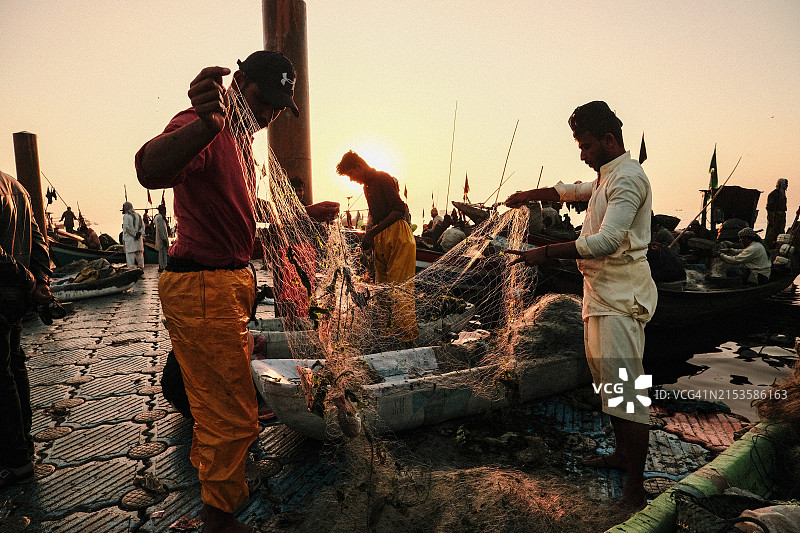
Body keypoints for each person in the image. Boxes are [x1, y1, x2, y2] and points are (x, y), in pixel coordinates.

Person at [136, 50, 336, 533]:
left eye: (277, 108)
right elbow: (149, 168)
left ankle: (213, 506)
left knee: (218, 405)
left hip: (224, 287)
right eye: (263, 100)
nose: (268, 114)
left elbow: (240, 225)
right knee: (231, 415)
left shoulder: (243, 143)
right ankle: (218, 521)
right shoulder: (205, 125)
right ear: (239, 81)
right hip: (202, 286)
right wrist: (206, 125)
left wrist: (302, 219)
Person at [504, 101, 656, 510]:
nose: (583, 153)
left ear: (609, 140)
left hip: (623, 299)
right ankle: (622, 455)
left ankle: (636, 489)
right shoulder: (607, 177)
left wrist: (547, 252)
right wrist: (528, 195)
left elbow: (607, 242)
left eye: (587, 145)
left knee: (627, 393)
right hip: (599, 295)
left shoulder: (629, 179)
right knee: (607, 382)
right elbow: (572, 191)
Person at [1, 170, 53, 488]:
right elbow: (39, 242)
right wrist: (39, 281)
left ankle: (14, 459)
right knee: (15, 368)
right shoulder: (18, 188)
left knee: (2, 378)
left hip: (7, 289)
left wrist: (29, 279)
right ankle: (24, 449)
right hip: (17, 299)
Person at [336, 151, 419, 342]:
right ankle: (388, 334)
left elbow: (398, 210)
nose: (351, 179)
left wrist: (372, 233)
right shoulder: (367, 186)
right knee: (382, 290)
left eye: (351, 174)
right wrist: (370, 235)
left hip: (398, 235)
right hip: (381, 238)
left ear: (358, 166)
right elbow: (375, 215)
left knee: (399, 289)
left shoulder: (383, 178)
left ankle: (406, 337)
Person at [764, 178, 788, 248]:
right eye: (785, 184)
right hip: (775, 214)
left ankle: (778, 244)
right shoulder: (773, 194)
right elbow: (769, 207)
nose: (786, 186)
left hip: (782, 214)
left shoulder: (782, 194)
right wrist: (773, 215)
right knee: (772, 230)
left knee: (780, 229)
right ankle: (768, 245)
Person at [121, 201, 145, 269]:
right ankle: (141, 267)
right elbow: (142, 226)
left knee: (130, 254)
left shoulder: (126, 216)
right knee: (139, 254)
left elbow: (127, 227)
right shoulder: (138, 215)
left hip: (130, 239)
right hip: (138, 238)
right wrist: (139, 233)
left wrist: (134, 234)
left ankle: (131, 268)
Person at [154, 204, 169, 273]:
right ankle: (162, 266)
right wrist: (164, 239)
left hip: (162, 238)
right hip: (162, 239)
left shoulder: (160, 217)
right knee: (162, 254)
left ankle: (163, 266)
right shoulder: (159, 218)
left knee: (163, 254)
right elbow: (160, 229)